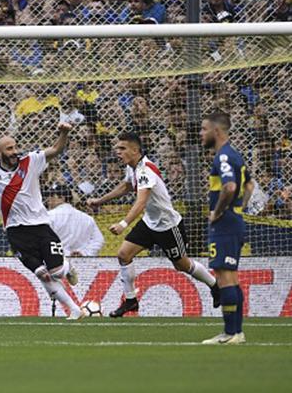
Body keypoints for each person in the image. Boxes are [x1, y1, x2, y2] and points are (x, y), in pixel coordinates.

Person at [0, 111, 84, 320]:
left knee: (57, 272)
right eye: (9, 149)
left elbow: (57, 149)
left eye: (15, 147)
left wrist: (63, 133)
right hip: (15, 232)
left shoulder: (30, 161)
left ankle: (67, 267)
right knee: (42, 274)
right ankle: (74, 309)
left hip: (40, 227)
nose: (14, 151)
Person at [87, 132, 220, 318]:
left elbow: (141, 202)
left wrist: (123, 224)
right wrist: (100, 201)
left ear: (135, 150)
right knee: (124, 255)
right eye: (117, 148)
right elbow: (126, 186)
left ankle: (215, 285)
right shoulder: (132, 167)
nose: (118, 152)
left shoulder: (145, 170)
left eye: (122, 148)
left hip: (168, 225)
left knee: (182, 265)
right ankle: (131, 301)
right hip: (150, 223)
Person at [200, 112, 254, 345]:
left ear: (217, 131)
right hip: (234, 221)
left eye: (203, 129)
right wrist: (238, 209)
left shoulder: (223, 156)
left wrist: (220, 212)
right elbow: (249, 184)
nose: (201, 134)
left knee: (225, 276)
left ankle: (232, 332)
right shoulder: (234, 154)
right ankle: (234, 332)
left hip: (225, 224)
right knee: (228, 275)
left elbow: (230, 186)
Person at [45, 184, 104, 257]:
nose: (48, 200)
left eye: (52, 196)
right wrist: (85, 253)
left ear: (62, 198)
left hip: (57, 259)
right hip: (83, 261)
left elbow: (44, 240)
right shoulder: (87, 218)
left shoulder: (48, 216)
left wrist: (66, 253)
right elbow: (98, 240)